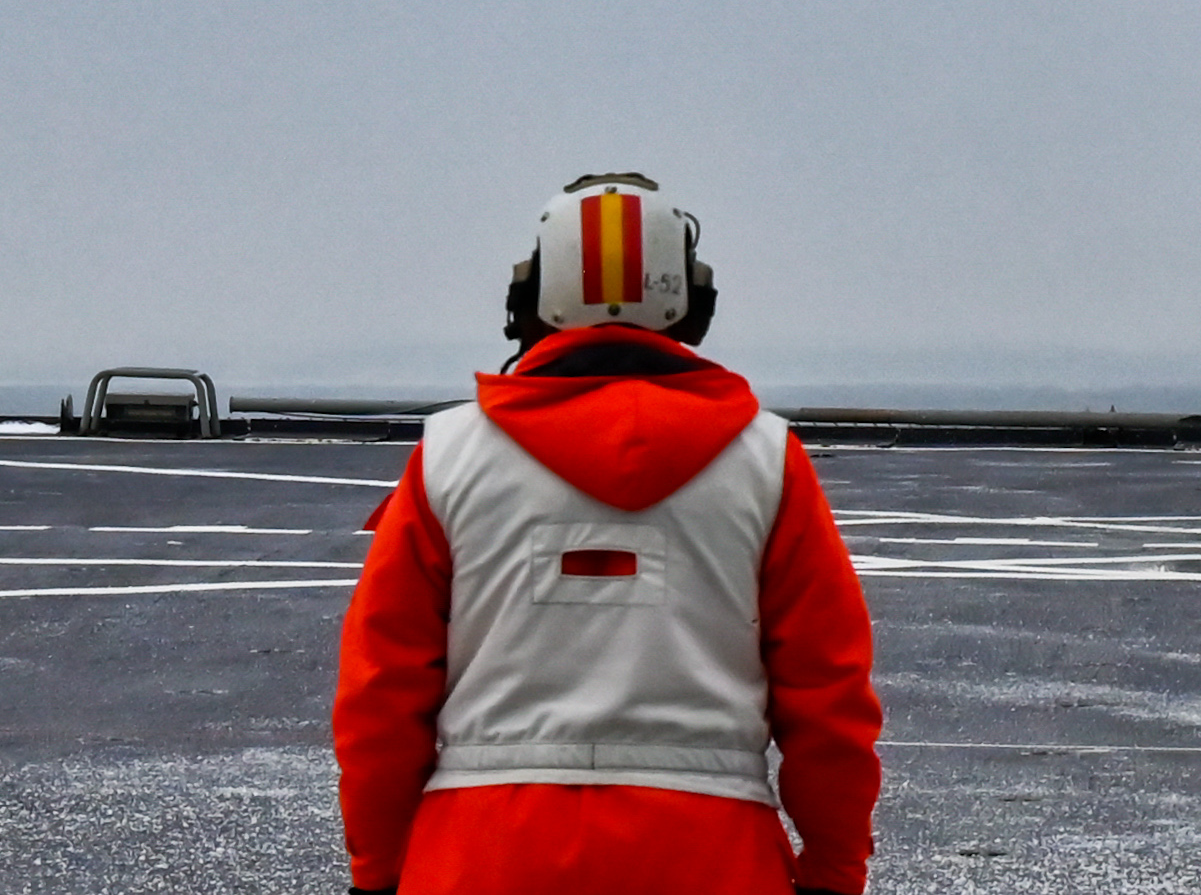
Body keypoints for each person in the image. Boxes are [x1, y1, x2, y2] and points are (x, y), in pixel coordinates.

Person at [336, 173, 883, 895]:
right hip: (713, 855)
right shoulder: (766, 462)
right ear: (693, 304)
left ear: (529, 302)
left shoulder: (448, 456)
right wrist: (835, 872)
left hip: (481, 855)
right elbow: (829, 697)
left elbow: (380, 695)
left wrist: (376, 872)